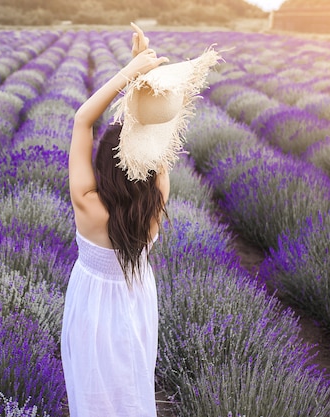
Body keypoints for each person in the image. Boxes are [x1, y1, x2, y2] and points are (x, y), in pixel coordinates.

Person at [61, 22, 220, 417]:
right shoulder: (156, 199)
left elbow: (83, 119)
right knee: (132, 383)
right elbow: (159, 138)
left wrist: (130, 74)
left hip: (91, 303)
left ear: (103, 163)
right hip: (136, 297)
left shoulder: (87, 204)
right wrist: (146, 86)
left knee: (92, 388)